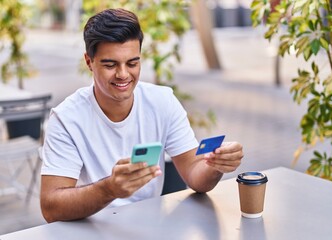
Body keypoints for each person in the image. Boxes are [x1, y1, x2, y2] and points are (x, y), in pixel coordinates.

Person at [40, 8, 244, 223]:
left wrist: (215, 164)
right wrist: (109, 189)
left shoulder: (162, 101)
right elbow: (51, 207)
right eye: (110, 64)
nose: (123, 74)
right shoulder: (66, 118)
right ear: (89, 62)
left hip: (150, 226)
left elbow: (195, 174)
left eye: (132, 63)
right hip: (90, 226)